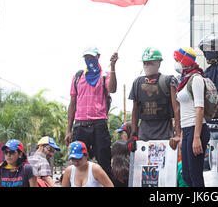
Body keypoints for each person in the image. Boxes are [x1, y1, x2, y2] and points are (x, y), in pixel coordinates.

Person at [65, 47, 118, 183]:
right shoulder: (78, 77)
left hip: (99, 125)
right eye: (87, 58)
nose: (89, 61)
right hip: (80, 125)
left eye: (92, 58)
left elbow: (112, 89)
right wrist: (68, 130)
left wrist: (113, 66)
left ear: (98, 57)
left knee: (104, 162)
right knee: (77, 161)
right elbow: (72, 104)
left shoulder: (104, 76)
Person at [127, 47, 180, 152]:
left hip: (165, 136)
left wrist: (178, 134)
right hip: (144, 136)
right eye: (145, 63)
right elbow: (135, 110)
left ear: (158, 63)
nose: (147, 66)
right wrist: (133, 134)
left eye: (150, 63)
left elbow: (177, 108)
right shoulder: (137, 83)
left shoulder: (168, 81)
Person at [170, 47, 210, 187]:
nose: (176, 63)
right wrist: (180, 134)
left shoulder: (196, 78)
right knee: (187, 175)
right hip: (187, 130)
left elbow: (200, 108)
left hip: (196, 129)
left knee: (195, 175)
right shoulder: (184, 80)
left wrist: (197, 137)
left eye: (177, 60)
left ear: (184, 60)